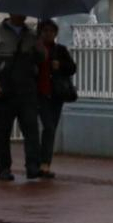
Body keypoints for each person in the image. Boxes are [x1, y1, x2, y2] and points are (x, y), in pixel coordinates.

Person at [0, 14, 45, 181]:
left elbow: (41, 59)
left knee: (31, 129)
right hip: (5, 90)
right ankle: (4, 167)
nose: (22, 13)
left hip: (27, 90)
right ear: (10, 12)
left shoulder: (31, 34)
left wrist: (40, 47)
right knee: (3, 130)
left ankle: (33, 166)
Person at [35, 20, 77, 179]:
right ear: (40, 33)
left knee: (50, 128)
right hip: (40, 94)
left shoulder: (60, 50)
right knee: (48, 127)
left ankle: (45, 163)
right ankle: (41, 163)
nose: (48, 34)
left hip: (56, 95)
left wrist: (60, 66)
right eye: (45, 31)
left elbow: (72, 68)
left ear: (55, 33)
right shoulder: (36, 50)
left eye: (51, 31)